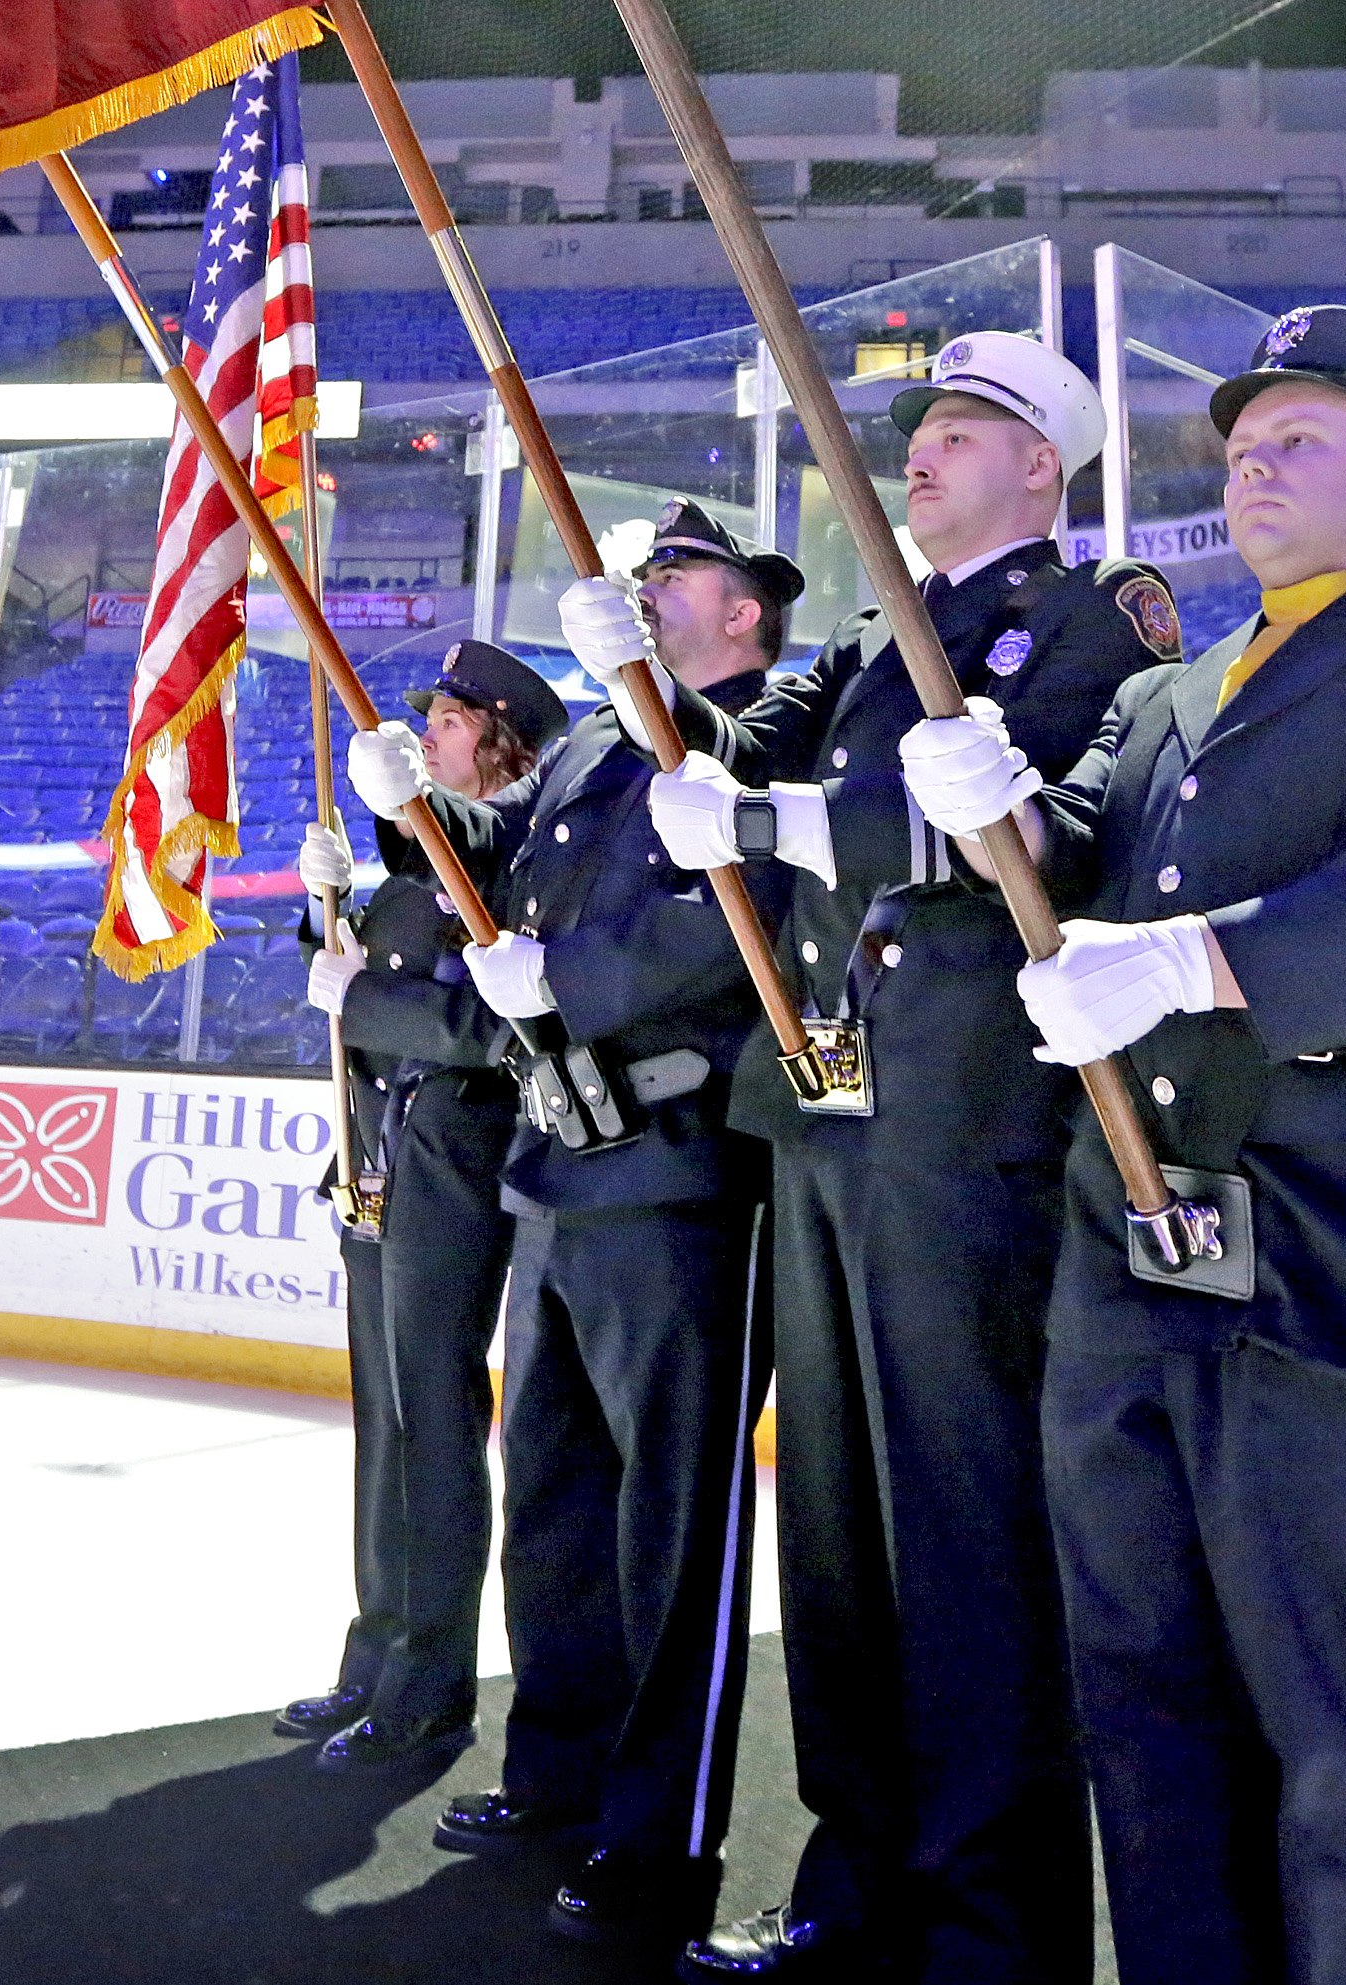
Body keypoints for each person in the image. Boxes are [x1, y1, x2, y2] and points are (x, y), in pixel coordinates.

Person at [901, 303, 1346, 1985]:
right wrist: (985, 805)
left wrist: (1196, 960)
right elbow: (1073, 851)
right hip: (1137, 1269)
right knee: (1154, 1733)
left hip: (1338, 1283)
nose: (1255, 469)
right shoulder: (1175, 695)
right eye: (1240, 449)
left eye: (1298, 440)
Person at [567, 337, 1184, 1984]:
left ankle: (992, 1930)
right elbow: (734, 768)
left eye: (965, 427)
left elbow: (1011, 838)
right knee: (837, 1531)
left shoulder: (1087, 621)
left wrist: (762, 827)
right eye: (916, 428)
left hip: (966, 1127)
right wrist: (644, 679)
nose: (919, 450)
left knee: (969, 1534)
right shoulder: (852, 643)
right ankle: (860, 1883)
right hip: (829, 1112)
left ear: (1046, 465)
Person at [345, 505, 796, 1951]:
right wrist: (410, 802)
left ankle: (660, 1840)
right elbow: (512, 852)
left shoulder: (753, 735)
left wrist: (567, 983)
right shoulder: (608, 741)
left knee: (676, 1532)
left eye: (682, 579)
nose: (652, 593)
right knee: (553, 1505)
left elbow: (727, 915)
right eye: (643, 576)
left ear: (749, 614)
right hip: (560, 1163)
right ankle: (560, 1768)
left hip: (674, 1171)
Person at [274, 641, 568, 1772]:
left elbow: (492, 1031)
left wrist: (368, 994)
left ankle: (428, 1681)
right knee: (385, 1425)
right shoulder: (416, 858)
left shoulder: (516, 859)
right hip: (377, 1154)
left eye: (449, 718)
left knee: (434, 1422)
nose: (426, 734)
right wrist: (322, 911)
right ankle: (377, 1645)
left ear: (503, 737)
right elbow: (355, 973)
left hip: (456, 1154)